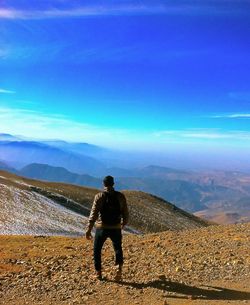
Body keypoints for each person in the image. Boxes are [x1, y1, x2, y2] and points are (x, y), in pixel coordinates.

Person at [85, 175, 129, 281]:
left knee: (97, 249)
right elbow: (125, 212)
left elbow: (94, 214)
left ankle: (98, 272)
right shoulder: (120, 196)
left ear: (103, 184)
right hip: (116, 227)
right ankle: (119, 269)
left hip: (102, 227)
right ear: (113, 184)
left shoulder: (99, 196)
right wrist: (123, 224)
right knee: (117, 247)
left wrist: (88, 229)